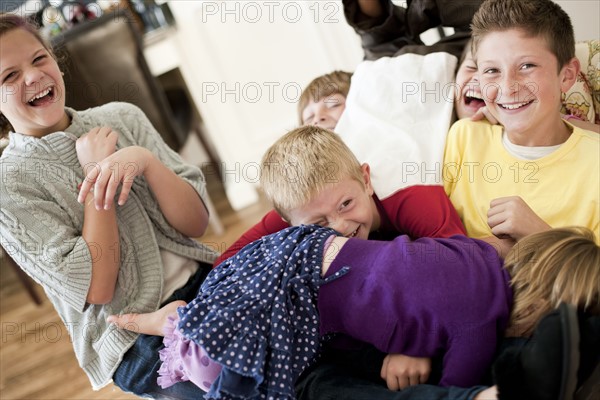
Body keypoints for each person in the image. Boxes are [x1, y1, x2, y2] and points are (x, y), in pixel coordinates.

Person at [108, 127, 599, 400]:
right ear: (290, 223)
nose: (341, 227)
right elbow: (230, 269)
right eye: (319, 221)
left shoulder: (420, 210)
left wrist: (413, 349)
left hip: (331, 308)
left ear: (366, 179)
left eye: (346, 206)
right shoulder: (294, 237)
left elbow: (449, 282)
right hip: (300, 302)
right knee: (291, 376)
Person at [0, 14, 217, 398]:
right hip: (134, 338)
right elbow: (97, 287)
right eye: (9, 77)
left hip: (203, 287)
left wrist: (142, 160)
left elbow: (196, 223)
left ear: (54, 58)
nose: (33, 77)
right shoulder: (9, 185)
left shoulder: (122, 118)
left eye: (38, 59)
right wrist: (96, 173)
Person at [443, 0, 600, 246]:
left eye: (527, 66)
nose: (507, 88)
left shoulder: (595, 162)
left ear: (567, 76)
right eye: (492, 70)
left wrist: (541, 237)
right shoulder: (464, 137)